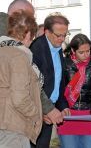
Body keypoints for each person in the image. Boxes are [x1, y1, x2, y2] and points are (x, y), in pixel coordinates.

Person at [0, 0, 64, 127]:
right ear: (19, 13)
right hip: (7, 118)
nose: (33, 22)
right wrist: (46, 109)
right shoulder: (8, 35)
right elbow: (26, 80)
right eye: (31, 17)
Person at [0, 10, 42, 147]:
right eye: (33, 36)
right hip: (10, 126)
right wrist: (36, 114)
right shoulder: (19, 57)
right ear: (28, 34)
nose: (32, 41)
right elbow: (20, 98)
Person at [31, 13, 71, 147]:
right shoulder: (36, 48)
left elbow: (58, 83)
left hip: (49, 112)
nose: (62, 39)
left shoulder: (58, 48)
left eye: (65, 35)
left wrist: (63, 105)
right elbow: (32, 86)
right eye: (58, 35)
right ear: (46, 31)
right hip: (36, 113)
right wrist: (43, 110)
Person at [58, 34, 91, 147]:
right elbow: (59, 90)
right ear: (73, 50)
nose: (86, 55)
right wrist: (62, 107)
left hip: (89, 115)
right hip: (68, 114)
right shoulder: (64, 64)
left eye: (88, 51)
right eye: (81, 52)